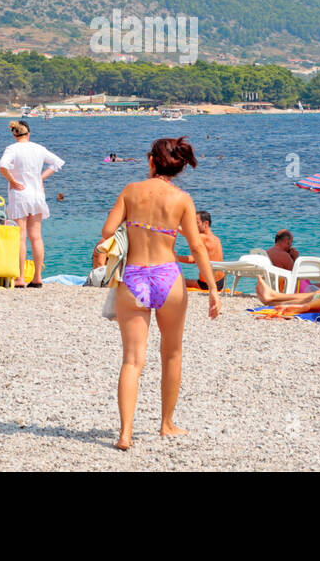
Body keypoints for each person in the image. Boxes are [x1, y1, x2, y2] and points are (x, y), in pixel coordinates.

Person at [101, 136, 218, 451]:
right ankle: (166, 424)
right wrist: (212, 289)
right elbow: (196, 246)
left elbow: (108, 231)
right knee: (172, 353)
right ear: (177, 165)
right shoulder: (182, 199)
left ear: (152, 161)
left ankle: (125, 434)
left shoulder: (131, 191)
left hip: (134, 276)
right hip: (168, 277)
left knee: (132, 360)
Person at [0, 120, 64, 289]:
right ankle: (37, 277)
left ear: (14, 134)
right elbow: (58, 163)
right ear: (28, 133)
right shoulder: (38, 148)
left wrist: (12, 181)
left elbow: (2, 166)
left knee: (21, 237)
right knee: (36, 236)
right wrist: (40, 178)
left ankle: (20, 277)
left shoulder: (12, 149)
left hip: (20, 195)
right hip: (36, 195)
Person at [179, 210, 224, 291]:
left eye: (196, 223)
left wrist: (175, 257)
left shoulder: (203, 237)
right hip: (221, 282)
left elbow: (193, 259)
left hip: (206, 285)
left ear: (206, 223)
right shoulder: (216, 239)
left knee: (177, 281)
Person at [255, 277, 320, 315]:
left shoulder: (282, 255)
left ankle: (273, 299)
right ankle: (273, 297)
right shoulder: (284, 255)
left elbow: (290, 268)